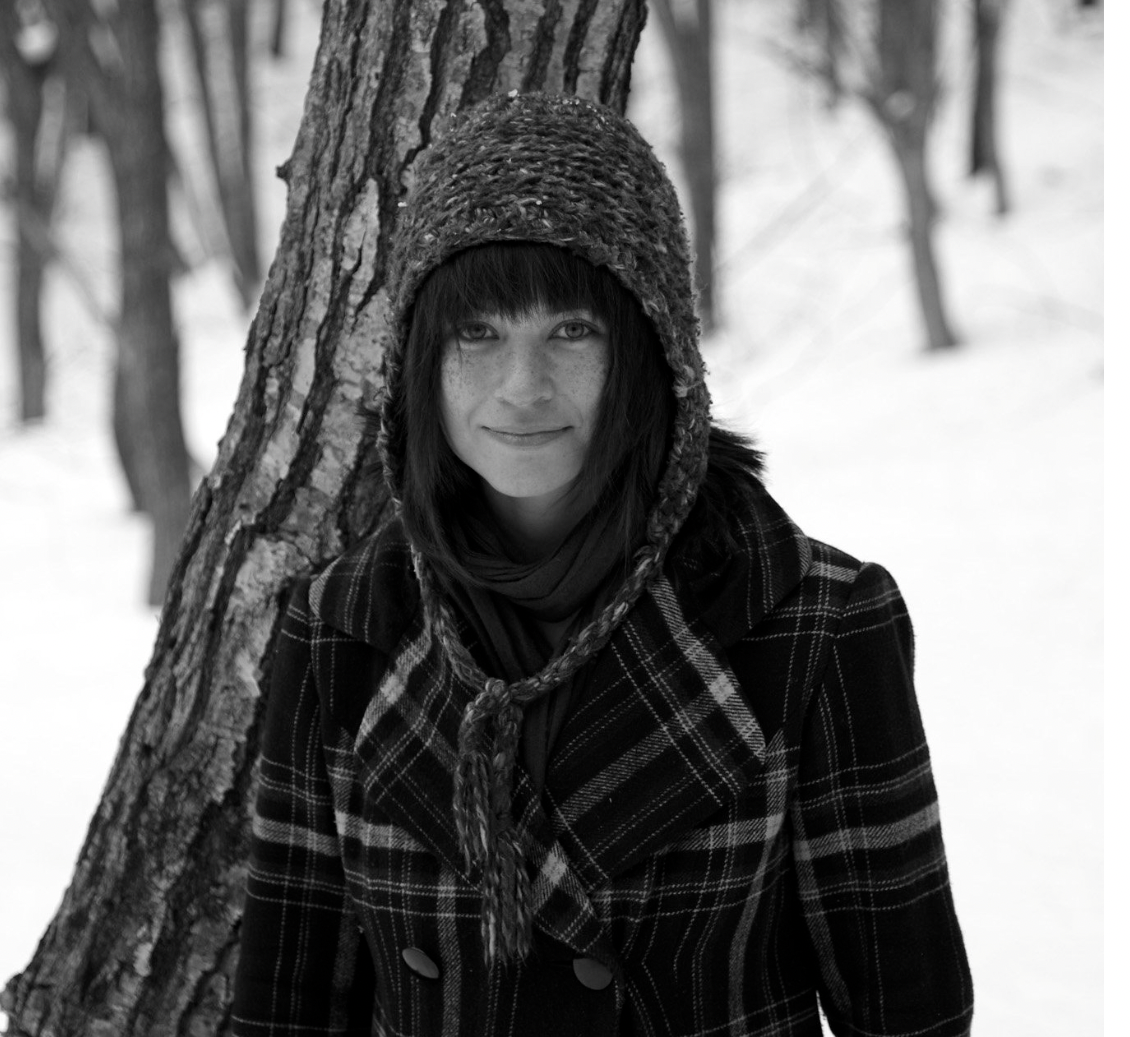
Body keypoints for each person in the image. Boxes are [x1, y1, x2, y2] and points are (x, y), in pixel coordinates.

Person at [231, 92, 973, 1037]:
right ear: (422, 362)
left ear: (649, 351)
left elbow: (908, 1015)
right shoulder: (341, 627)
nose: (523, 387)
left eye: (571, 332)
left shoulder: (814, 622)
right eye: (478, 334)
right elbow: (286, 1009)